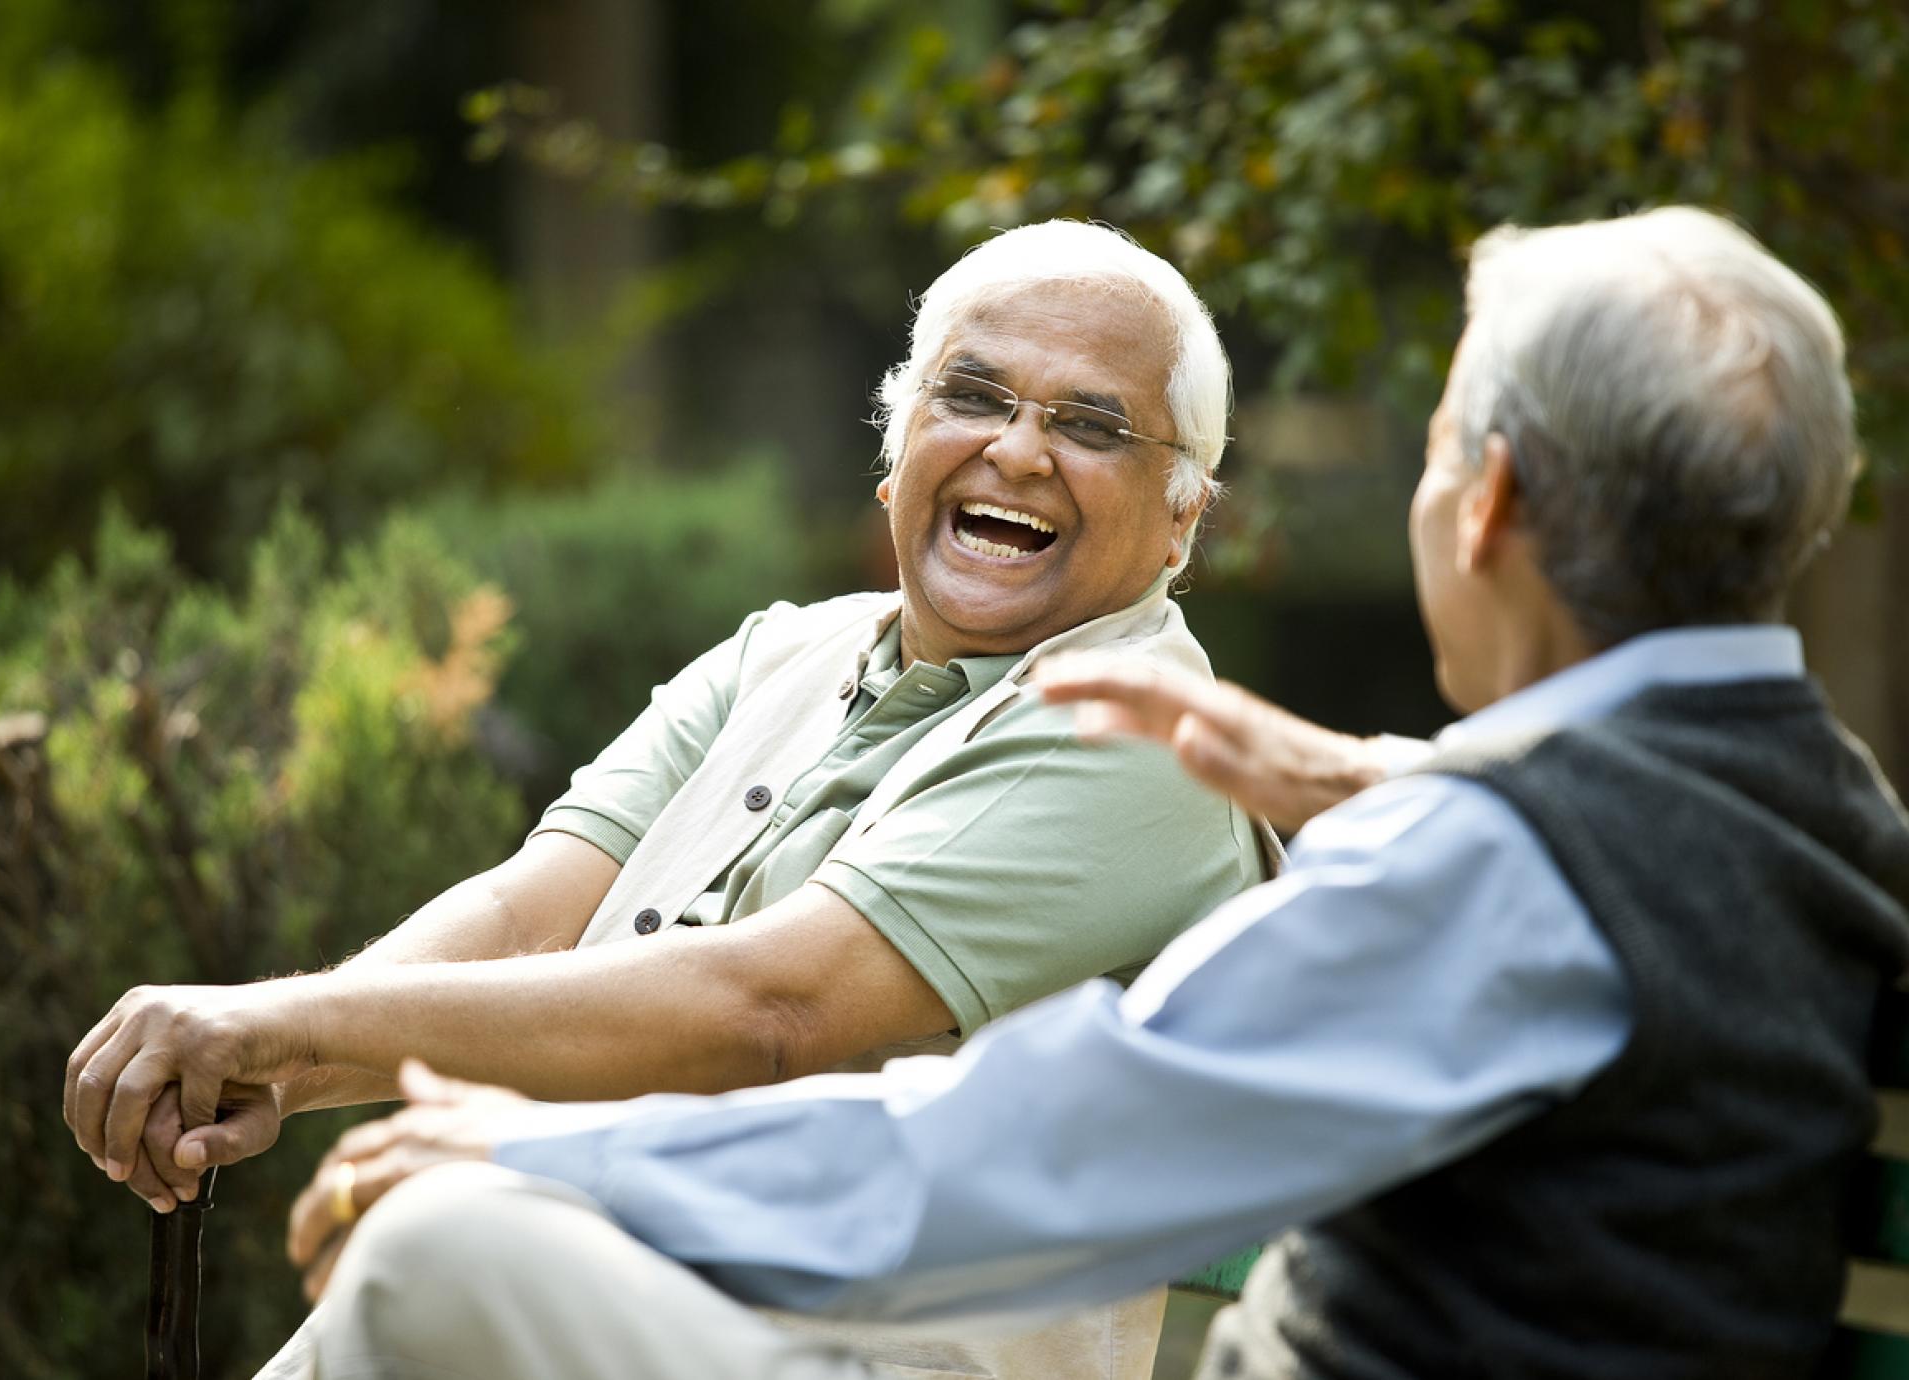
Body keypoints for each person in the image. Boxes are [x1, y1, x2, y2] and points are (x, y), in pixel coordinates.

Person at [274, 206, 1909, 1380]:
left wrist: (549, 1160)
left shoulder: (1503, 872)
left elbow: (1032, 1157)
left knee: (441, 1251)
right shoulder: (1826, 817)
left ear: (1483, 504)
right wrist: (1401, 785)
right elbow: (1617, 880)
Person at [63, 219, 1282, 1380]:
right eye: (971, 397)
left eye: (1089, 423)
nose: (1016, 450)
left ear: (1181, 521)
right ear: (893, 445)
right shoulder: (778, 655)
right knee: (436, 1245)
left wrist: (287, 1031)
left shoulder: (1142, 734)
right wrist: (272, 1070)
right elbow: (522, 914)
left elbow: (768, 1007)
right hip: (618, 1301)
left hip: (871, 1355)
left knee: (437, 1247)